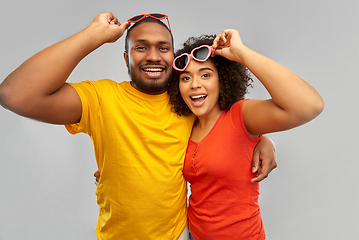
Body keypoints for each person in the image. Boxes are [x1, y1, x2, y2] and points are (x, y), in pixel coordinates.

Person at [0, 13, 277, 239]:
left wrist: (262, 140)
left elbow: (229, 124)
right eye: (141, 47)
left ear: (174, 58)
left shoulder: (187, 101)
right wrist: (91, 36)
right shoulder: (102, 98)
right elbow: (15, 95)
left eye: (163, 48)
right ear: (126, 58)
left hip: (179, 234)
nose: (154, 56)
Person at [167, 32, 324, 239]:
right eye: (186, 78)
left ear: (222, 79)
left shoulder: (240, 115)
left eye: (205, 74)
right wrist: (265, 141)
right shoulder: (186, 125)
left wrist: (242, 53)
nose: (194, 84)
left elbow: (310, 105)